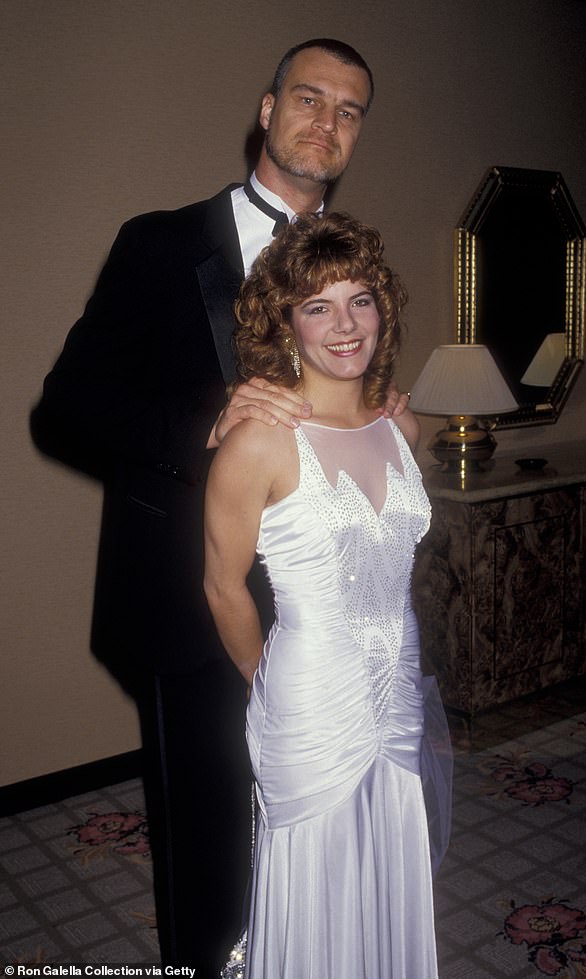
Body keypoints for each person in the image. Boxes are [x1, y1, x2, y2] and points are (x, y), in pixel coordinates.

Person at [30, 39, 411, 977]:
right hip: (188, 596)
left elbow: (346, 388)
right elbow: (65, 403)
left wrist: (382, 411)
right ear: (268, 106)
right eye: (310, 99)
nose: (327, 122)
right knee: (208, 836)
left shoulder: (352, 260)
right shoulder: (160, 241)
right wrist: (207, 421)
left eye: (349, 110)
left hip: (321, 603)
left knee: (320, 819)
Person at [204, 212, 451, 978]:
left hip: (397, 685)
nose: (345, 325)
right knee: (318, 872)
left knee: (387, 856)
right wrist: (268, 683)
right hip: (310, 697)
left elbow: (390, 537)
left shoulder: (400, 424)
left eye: (361, 299)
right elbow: (221, 586)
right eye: (318, 305)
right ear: (287, 323)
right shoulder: (261, 439)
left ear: (384, 308)